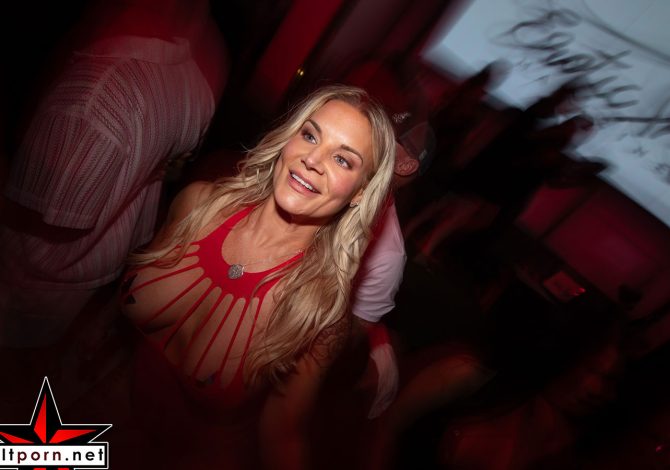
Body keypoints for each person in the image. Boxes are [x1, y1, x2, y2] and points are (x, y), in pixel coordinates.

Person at [118, 84, 396, 469]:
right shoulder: (198, 204)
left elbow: (283, 435)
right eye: (310, 135)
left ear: (360, 193)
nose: (312, 160)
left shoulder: (317, 315)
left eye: (342, 160)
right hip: (107, 414)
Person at [0, 0, 228, 349]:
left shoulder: (96, 93)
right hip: (87, 281)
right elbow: (173, 166)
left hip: (28, 285)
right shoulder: (199, 74)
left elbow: (53, 217)